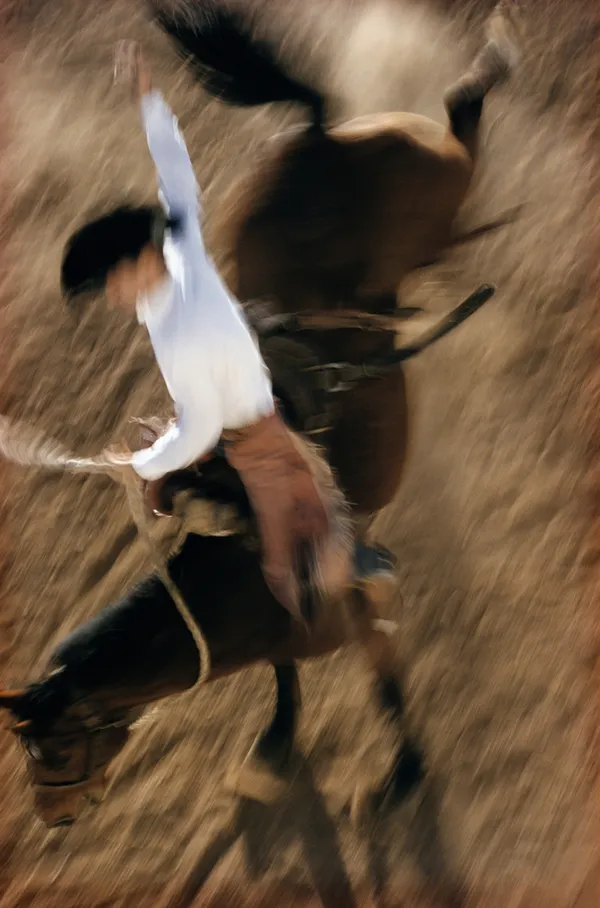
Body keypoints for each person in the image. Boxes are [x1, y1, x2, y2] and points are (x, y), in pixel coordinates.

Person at [60, 41, 351, 623]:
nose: (113, 298)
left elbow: (196, 432)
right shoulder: (178, 242)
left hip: (252, 443)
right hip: (230, 397)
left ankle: (359, 570)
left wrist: (142, 466)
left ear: (140, 261)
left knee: (294, 577)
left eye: (112, 282)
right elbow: (176, 173)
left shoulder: (186, 333)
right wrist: (148, 100)